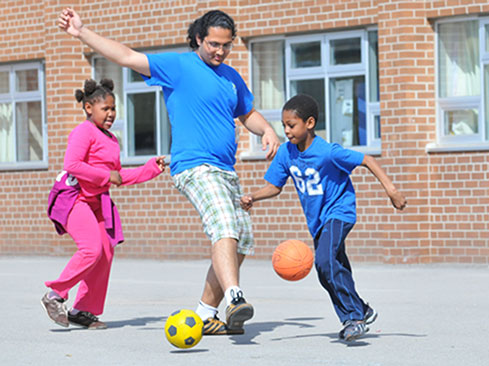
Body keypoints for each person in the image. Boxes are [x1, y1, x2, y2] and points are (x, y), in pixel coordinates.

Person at [58, 8, 280, 335]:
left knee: (243, 239)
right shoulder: (179, 66)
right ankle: (234, 297)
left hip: (225, 170)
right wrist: (82, 33)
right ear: (199, 39)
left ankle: (205, 314)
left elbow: (248, 114)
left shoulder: (231, 77)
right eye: (214, 45)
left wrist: (268, 131)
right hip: (193, 166)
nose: (220, 51)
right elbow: (127, 56)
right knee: (224, 222)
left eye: (226, 46)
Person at [240, 94, 407, 341]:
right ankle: (361, 309)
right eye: (284, 125)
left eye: (291, 125)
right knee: (328, 268)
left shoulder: (328, 152)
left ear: (309, 123)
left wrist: (391, 190)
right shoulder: (286, 154)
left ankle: (354, 318)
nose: (286, 131)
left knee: (325, 261)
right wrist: (253, 196)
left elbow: (367, 160)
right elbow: (275, 186)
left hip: (339, 212)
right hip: (318, 221)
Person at [42, 79, 165, 329]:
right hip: (74, 197)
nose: (111, 114)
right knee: (91, 249)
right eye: (105, 109)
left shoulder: (110, 138)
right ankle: (55, 294)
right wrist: (104, 176)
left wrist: (151, 169)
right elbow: (72, 164)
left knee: (105, 251)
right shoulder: (84, 131)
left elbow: (118, 176)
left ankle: (82, 310)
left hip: (97, 200)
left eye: (113, 108)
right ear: (89, 108)